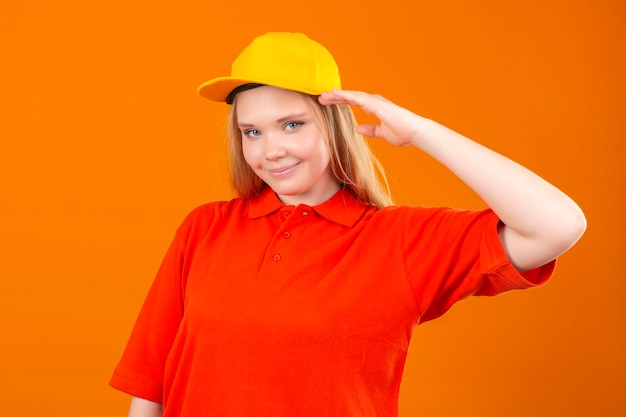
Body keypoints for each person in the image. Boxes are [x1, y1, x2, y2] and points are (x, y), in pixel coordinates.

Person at [109, 32, 586, 417]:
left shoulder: (397, 240)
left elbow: (557, 225)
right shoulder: (205, 227)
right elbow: (150, 381)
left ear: (333, 123)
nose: (269, 150)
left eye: (292, 124)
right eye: (252, 132)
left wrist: (420, 132)